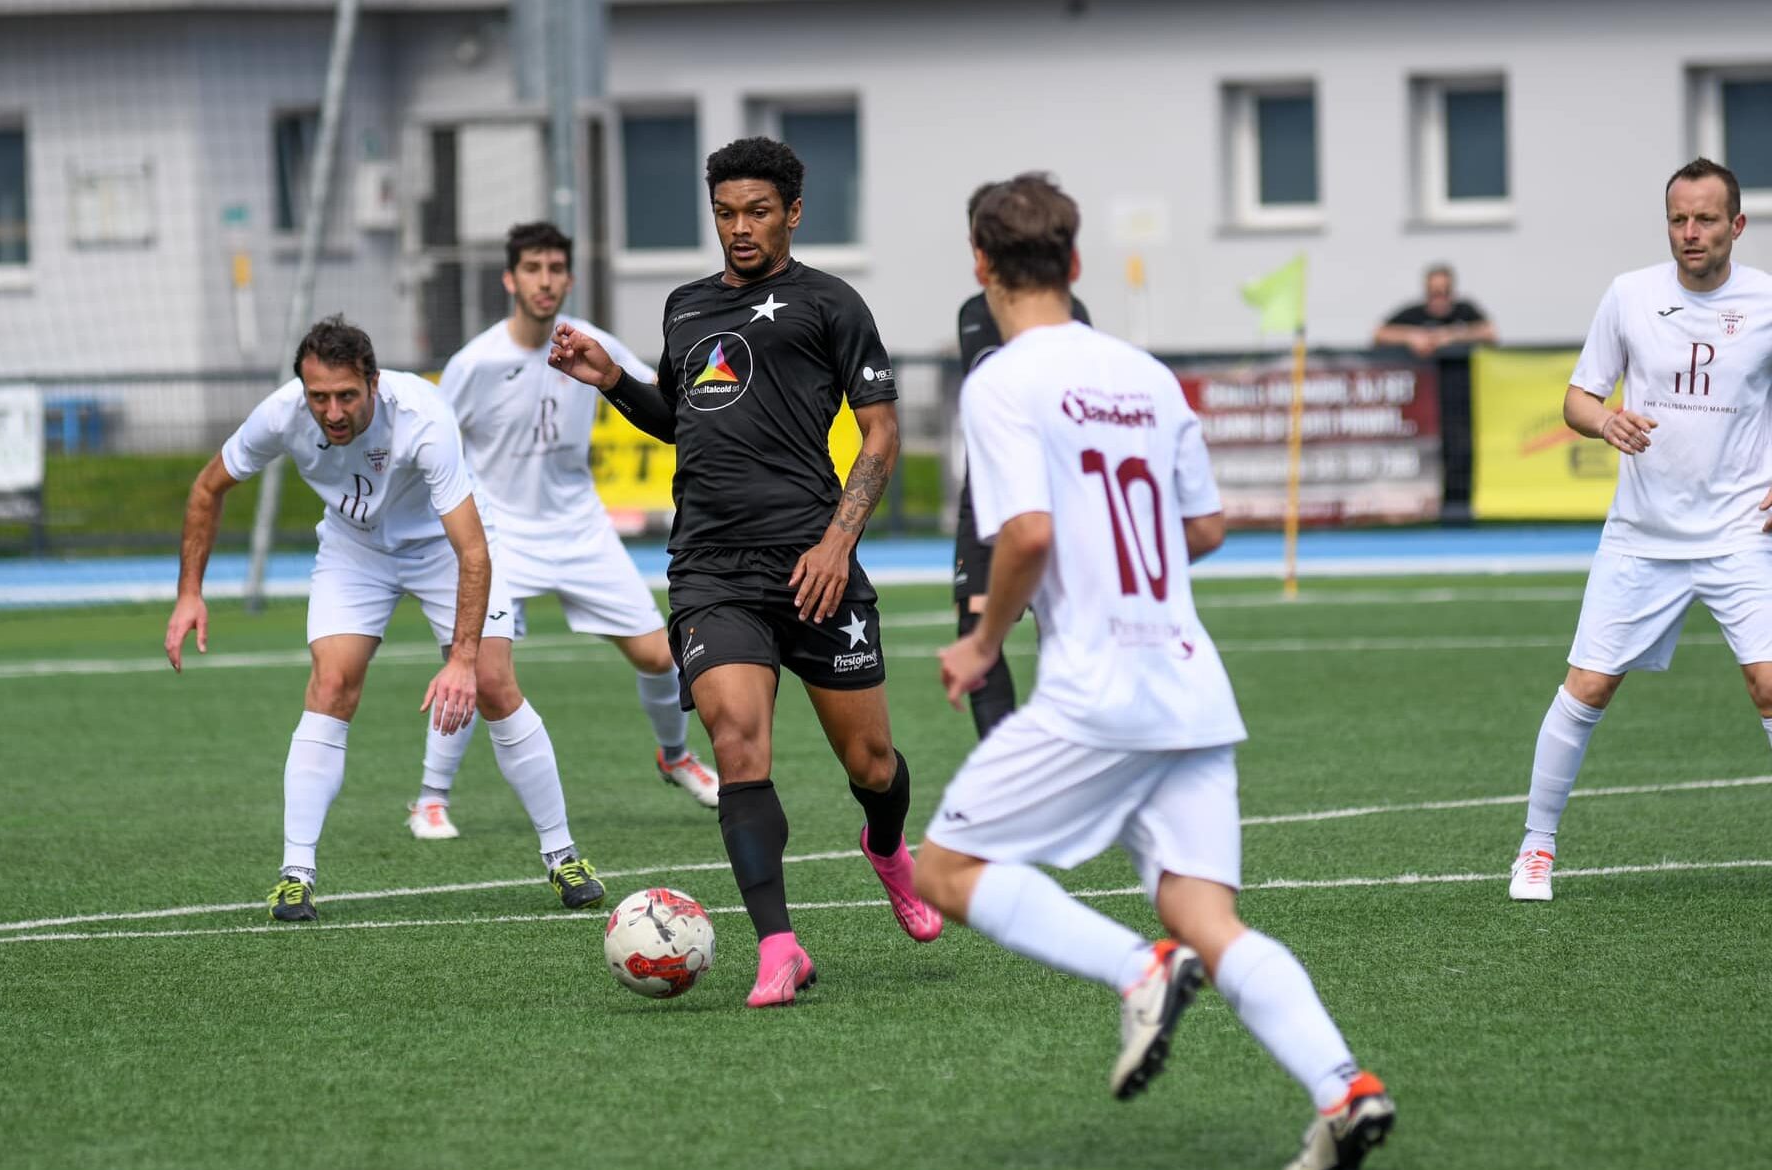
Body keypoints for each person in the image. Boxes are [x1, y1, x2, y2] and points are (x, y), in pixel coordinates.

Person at [912, 173, 1394, 1170]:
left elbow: (1029, 534)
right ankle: (1342, 1089)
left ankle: (1136, 969)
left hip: (1100, 688)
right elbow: (1206, 527)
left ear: (979, 264)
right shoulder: (1144, 373)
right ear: (1076, 262)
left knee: (944, 871)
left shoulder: (1000, 380)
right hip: (1187, 683)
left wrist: (980, 641)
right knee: (1203, 914)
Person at [548, 136, 942, 1008]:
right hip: (711, 568)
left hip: (814, 559)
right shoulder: (686, 309)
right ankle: (779, 945)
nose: (740, 229)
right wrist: (611, 378)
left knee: (872, 763)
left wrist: (838, 543)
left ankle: (886, 848)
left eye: (757, 211)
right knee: (737, 746)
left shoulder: (831, 304)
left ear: (793, 212)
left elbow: (881, 433)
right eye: (725, 213)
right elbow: (683, 419)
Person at [163, 315, 606, 920]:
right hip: (356, 550)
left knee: (497, 686)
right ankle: (296, 874)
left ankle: (563, 855)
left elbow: (472, 552)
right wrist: (190, 592)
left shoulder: (423, 417)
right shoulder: (281, 413)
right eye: (319, 396)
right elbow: (207, 488)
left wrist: (462, 660)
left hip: (443, 550)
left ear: (373, 383)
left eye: (347, 395)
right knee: (331, 685)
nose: (333, 411)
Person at [1510, 157, 1772, 902]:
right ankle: (1535, 848)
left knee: (1768, 685)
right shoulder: (1630, 295)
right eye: (1679, 219)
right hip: (1642, 535)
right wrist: (1606, 420)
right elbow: (1577, 398)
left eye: (1706, 219)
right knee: (1588, 687)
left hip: (1739, 531)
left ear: (1737, 226)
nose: (1690, 233)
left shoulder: (1767, 300)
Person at [407, 221, 719, 840]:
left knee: (663, 656)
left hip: (580, 531)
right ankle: (430, 797)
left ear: (569, 277)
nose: (545, 280)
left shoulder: (591, 342)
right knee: (476, 666)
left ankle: (675, 755)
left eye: (555, 269)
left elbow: (656, 395)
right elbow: (434, 441)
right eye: (533, 269)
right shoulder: (475, 363)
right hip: (500, 538)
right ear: (510, 278)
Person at [952, 183, 1092, 740]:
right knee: (979, 621)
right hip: (984, 497)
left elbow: (1030, 533)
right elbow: (1203, 529)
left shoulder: (1070, 327)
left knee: (1055, 626)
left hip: (1051, 499)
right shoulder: (971, 317)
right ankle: (1004, 755)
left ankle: (1047, 762)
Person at [1372, 263, 1498, 358]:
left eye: (1445, 292)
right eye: (1435, 293)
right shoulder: (1413, 314)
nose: (1440, 299)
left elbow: (1489, 333)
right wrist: (1411, 337)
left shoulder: (1464, 310)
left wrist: (1452, 336)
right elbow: (1379, 333)